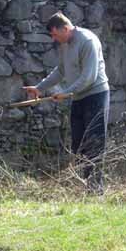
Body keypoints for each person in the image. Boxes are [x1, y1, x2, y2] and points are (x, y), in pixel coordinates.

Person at [23, 12, 110, 192]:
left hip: (96, 96)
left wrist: (66, 92)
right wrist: (39, 88)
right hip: (78, 97)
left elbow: (89, 77)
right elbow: (60, 70)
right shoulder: (64, 45)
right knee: (78, 144)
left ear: (65, 28)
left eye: (55, 34)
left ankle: (96, 189)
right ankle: (85, 185)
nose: (54, 39)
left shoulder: (87, 41)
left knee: (94, 141)